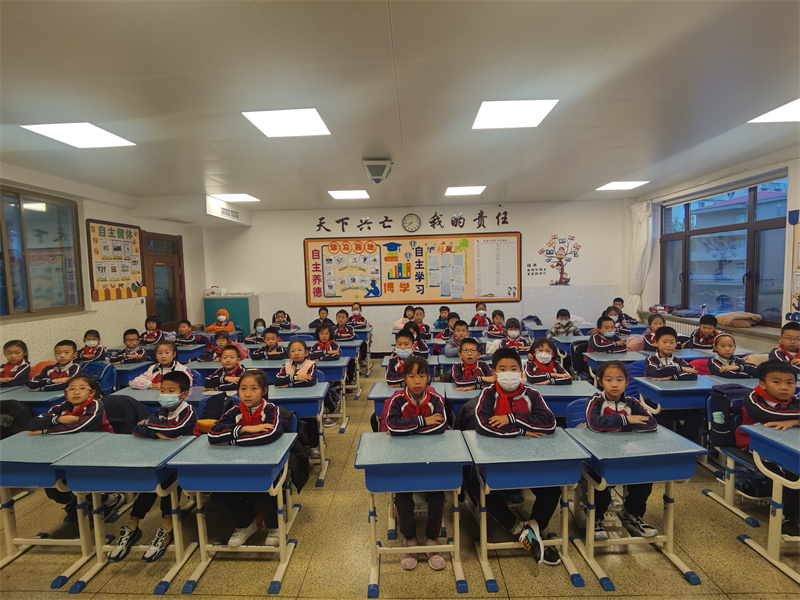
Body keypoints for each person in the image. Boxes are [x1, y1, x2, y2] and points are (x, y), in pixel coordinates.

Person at [473, 348, 560, 565]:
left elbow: (549, 423)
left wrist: (511, 418)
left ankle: (534, 530)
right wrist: (522, 430)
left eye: (513, 369)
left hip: (530, 459)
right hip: (495, 458)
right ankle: (520, 529)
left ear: (521, 372)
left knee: (553, 490)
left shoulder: (532, 395)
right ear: (494, 373)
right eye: (503, 369)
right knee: (477, 486)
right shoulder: (488, 394)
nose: (508, 374)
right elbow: (483, 425)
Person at [109, 371, 197, 563]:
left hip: (182, 461)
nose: (165, 394)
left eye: (171, 391)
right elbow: (136, 429)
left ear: (183, 394)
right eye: (163, 390)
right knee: (150, 483)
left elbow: (174, 429)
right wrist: (156, 433)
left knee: (167, 483)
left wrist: (149, 424)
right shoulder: (162, 411)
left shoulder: (188, 412)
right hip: (158, 458)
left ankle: (166, 526)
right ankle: (132, 525)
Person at [28, 373, 121, 522]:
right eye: (71, 389)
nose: (76, 392)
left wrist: (45, 431)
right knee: (55, 488)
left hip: (100, 450)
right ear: (66, 393)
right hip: (70, 450)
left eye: (82, 388)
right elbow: (33, 423)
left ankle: (109, 498)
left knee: (83, 481)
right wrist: (57, 419)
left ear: (92, 392)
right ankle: (76, 499)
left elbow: (78, 427)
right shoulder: (62, 407)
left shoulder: (95, 405)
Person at [384, 355, 448, 571]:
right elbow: (392, 426)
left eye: (421, 376)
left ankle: (431, 540)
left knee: (438, 494)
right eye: (411, 376)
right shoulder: (397, 400)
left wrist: (408, 427)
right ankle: (410, 539)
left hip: (433, 455)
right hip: (403, 457)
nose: (417, 381)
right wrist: (423, 421)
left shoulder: (436, 399)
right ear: (404, 378)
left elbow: (440, 426)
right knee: (402, 496)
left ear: (428, 377)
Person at [208, 370, 284, 547]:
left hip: (266, 465)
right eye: (243, 389)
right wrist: (244, 429)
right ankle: (245, 523)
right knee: (219, 493)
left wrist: (230, 440)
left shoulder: (271, 410)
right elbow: (212, 434)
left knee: (261, 487)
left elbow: (269, 435)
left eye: (253, 388)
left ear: (264, 390)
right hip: (235, 464)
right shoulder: (234, 411)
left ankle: (274, 525)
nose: (247, 394)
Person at [585, 361, 658, 540]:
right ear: (601, 382)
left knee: (644, 478)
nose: (614, 384)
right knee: (601, 486)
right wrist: (627, 420)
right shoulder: (595, 401)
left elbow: (651, 423)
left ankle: (633, 514)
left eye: (619, 380)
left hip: (628, 454)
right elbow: (594, 423)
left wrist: (619, 424)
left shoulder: (632, 402)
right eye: (609, 380)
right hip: (600, 456)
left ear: (626, 382)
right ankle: (596, 517)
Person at [735, 361, 799, 536]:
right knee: (788, 471)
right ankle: (787, 517)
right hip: (753, 444)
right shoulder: (753, 399)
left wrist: (794, 421)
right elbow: (770, 415)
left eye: (790, 383)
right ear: (763, 384)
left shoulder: (793, 400)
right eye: (776, 382)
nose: (784, 387)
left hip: (785, 444)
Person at [274, 340, 320, 459]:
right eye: (293, 351)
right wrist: (296, 377)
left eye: (299, 350)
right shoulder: (286, 366)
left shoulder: (311, 365)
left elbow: (309, 382)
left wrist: (287, 384)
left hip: (307, 399)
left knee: (310, 419)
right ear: (289, 354)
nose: (296, 353)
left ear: (306, 353)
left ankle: (314, 446)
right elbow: (277, 381)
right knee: (285, 420)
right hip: (287, 399)